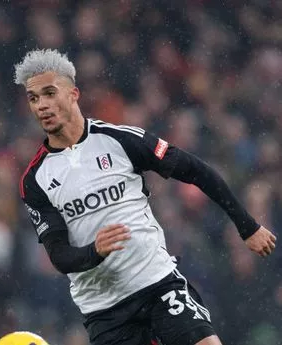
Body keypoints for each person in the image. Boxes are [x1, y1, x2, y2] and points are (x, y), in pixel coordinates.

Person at [14, 49, 277, 345]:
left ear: (74, 93)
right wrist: (95, 251)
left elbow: (196, 170)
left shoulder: (121, 140)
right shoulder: (35, 180)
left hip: (157, 284)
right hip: (105, 310)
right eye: (34, 98)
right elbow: (59, 255)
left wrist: (247, 226)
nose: (42, 106)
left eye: (50, 93)